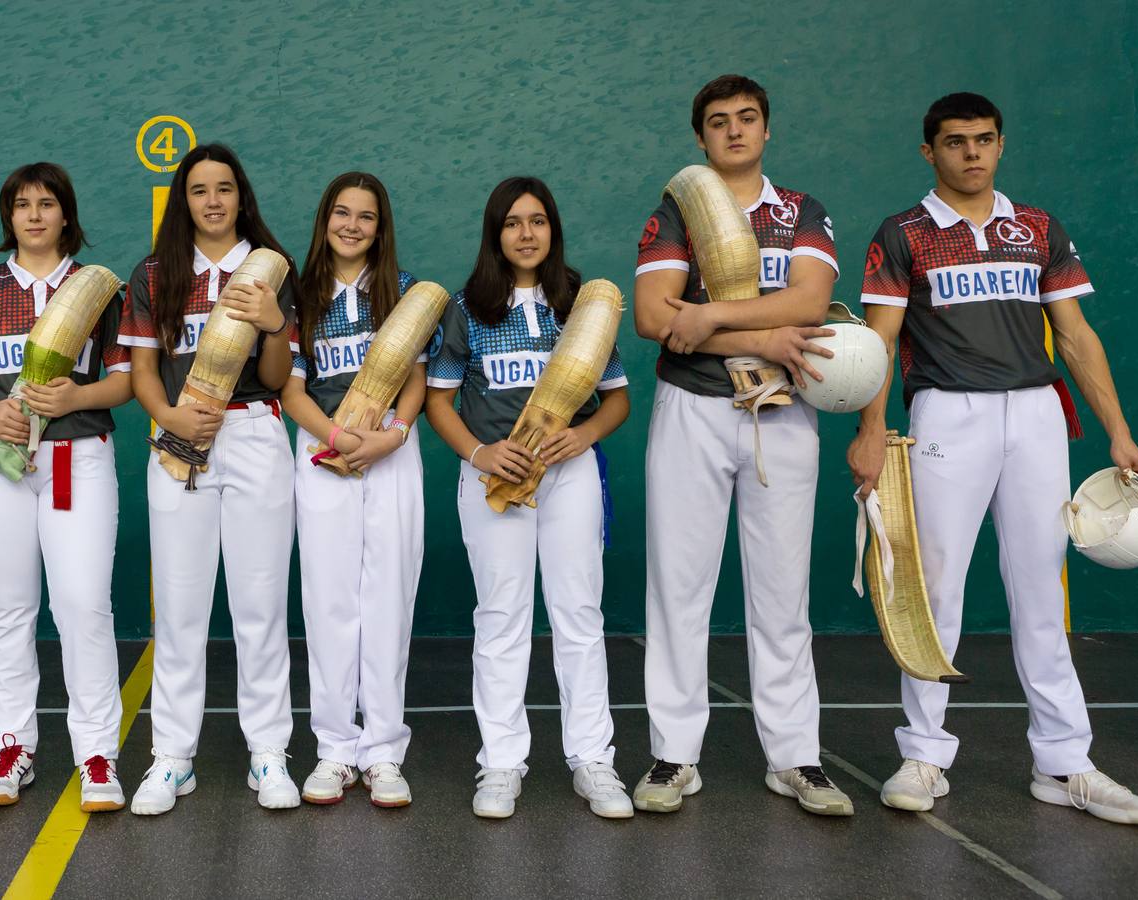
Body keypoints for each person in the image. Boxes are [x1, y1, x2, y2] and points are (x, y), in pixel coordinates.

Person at [852, 92, 1138, 826]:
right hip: (944, 414)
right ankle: (923, 755)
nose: (972, 152)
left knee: (1040, 591)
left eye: (984, 139)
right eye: (955, 141)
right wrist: (870, 431)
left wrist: (1117, 431)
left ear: (1000, 145)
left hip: (1035, 416)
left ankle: (1064, 763)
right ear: (927, 151)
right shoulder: (902, 234)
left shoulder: (1037, 228)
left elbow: (1076, 335)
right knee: (933, 591)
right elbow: (877, 340)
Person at [631, 74, 853, 816]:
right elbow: (653, 316)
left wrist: (710, 317)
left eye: (746, 119)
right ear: (699, 137)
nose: (732, 131)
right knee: (678, 588)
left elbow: (811, 303)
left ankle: (794, 758)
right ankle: (673, 756)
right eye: (718, 122)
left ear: (766, 130)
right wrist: (758, 333)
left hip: (782, 417)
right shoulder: (675, 213)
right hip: (691, 409)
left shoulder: (800, 211)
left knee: (782, 594)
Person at [425, 176, 633, 820]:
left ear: (552, 229)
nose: (526, 233)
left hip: (568, 478)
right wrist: (479, 452)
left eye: (537, 221)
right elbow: (437, 400)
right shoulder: (467, 307)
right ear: (496, 233)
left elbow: (618, 398)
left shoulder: (581, 305)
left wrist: (584, 433)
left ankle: (593, 760)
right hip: (492, 479)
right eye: (513, 222)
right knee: (502, 618)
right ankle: (501, 763)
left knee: (578, 616)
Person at [0, 162, 131, 811]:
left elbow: (126, 381)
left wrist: (77, 392)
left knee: (80, 604)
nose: (36, 215)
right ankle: (12, 747)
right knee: (8, 607)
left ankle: (97, 753)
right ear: (8, 216)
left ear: (66, 214)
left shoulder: (97, 288)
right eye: (23, 205)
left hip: (72, 460)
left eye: (48, 204)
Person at [118, 144, 302, 815]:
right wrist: (171, 418)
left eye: (225, 188)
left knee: (259, 609)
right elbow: (141, 372)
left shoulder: (268, 270)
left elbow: (280, 376)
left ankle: (268, 755)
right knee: (180, 609)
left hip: (254, 432)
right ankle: (172, 759)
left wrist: (274, 323)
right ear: (183, 201)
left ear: (241, 196)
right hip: (177, 437)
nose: (214, 201)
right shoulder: (155, 274)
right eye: (199, 190)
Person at [282, 172, 423, 808]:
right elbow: (291, 391)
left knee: (389, 599)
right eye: (342, 212)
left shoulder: (407, 293)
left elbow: (418, 383)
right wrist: (337, 439)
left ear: (380, 227)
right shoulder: (298, 295)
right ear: (325, 219)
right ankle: (335, 749)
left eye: (366, 217)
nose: (353, 226)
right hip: (321, 455)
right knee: (330, 602)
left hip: (392, 455)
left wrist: (390, 435)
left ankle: (385, 751)